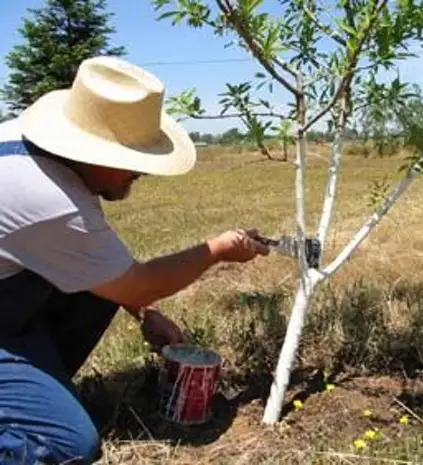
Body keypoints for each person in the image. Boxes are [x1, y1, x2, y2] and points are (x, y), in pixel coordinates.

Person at [0, 56, 270, 465]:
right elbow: (140, 280)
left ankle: (36, 385)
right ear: (93, 153)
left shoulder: (30, 145)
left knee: (98, 291)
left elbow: (102, 265)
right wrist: (217, 250)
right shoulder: (50, 199)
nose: (139, 174)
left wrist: (144, 311)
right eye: (132, 161)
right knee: (69, 445)